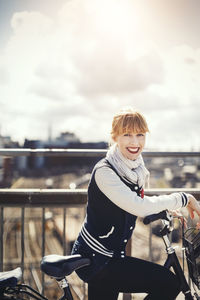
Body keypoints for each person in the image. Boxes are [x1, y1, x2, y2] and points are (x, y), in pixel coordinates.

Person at [71, 107, 200, 300]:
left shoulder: (135, 168)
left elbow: (137, 202)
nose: (135, 141)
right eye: (127, 134)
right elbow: (138, 205)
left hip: (110, 257)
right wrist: (183, 198)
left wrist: (165, 208)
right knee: (169, 284)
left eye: (140, 134)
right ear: (115, 137)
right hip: (97, 260)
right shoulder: (105, 172)